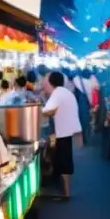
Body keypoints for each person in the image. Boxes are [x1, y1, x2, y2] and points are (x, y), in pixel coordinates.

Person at [42, 71, 82, 199]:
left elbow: (46, 110)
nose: (44, 83)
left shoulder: (57, 93)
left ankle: (65, 194)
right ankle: (64, 191)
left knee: (63, 162)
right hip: (67, 131)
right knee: (63, 161)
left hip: (64, 132)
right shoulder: (63, 92)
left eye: (45, 81)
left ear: (51, 82)